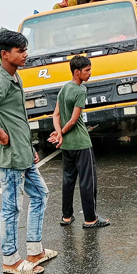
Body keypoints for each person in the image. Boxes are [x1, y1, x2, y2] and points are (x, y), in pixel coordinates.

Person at [0, 30, 57, 274]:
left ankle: (34, 250)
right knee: (11, 208)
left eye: (25, 49)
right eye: (20, 51)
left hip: (22, 152)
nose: (25, 54)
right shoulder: (0, 81)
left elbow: (19, 117)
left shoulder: (15, 77)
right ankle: (10, 260)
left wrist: (29, 145)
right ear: (5, 54)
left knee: (41, 194)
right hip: (10, 156)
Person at [48, 55, 110, 229]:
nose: (90, 73)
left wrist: (59, 134)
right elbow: (74, 121)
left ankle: (66, 217)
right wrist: (62, 133)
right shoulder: (80, 90)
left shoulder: (64, 88)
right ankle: (90, 219)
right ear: (77, 72)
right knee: (87, 182)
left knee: (68, 180)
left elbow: (56, 115)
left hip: (67, 145)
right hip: (81, 143)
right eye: (87, 70)